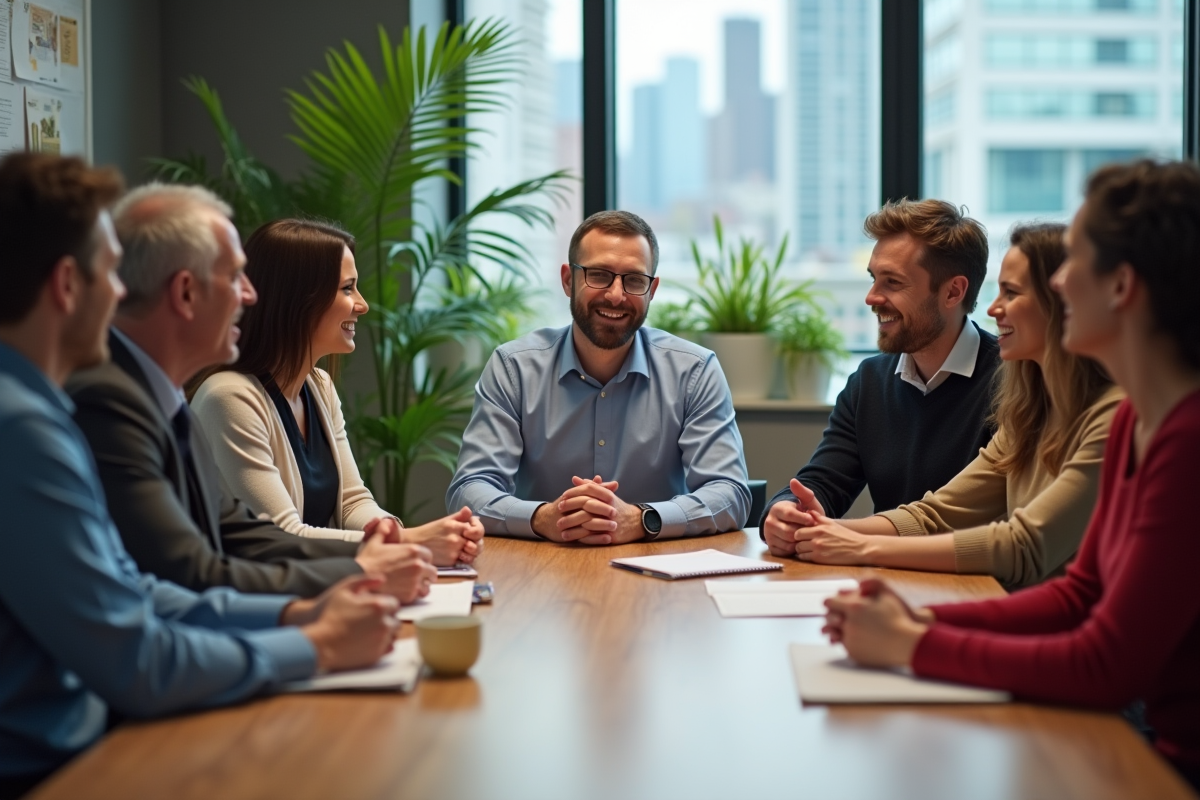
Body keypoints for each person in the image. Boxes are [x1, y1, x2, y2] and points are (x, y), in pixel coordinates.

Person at [0, 153, 398, 798]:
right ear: (68, 287)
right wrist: (316, 644)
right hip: (54, 767)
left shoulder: (51, 407)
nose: (124, 294)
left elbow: (136, 591)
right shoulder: (26, 428)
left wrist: (301, 613)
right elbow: (134, 654)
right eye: (111, 275)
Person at [823, 160, 1200, 792]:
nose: (1061, 281)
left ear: (1122, 286)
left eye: (1073, 261)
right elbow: (1079, 594)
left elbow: (1107, 661)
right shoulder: (1141, 415)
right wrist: (917, 623)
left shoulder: (1182, 437)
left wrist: (913, 645)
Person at [67, 184, 437, 600]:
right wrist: (316, 621)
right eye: (233, 277)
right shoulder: (115, 406)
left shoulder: (165, 401)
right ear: (186, 292)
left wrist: (383, 551)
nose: (249, 294)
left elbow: (244, 534)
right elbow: (193, 571)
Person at [776, 224, 1121, 588]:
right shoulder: (1028, 411)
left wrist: (862, 547)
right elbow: (935, 515)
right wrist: (819, 529)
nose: (993, 307)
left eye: (1012, 292)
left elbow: (1023, 546)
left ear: (1065, 304)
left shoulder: (1113, 418)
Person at [189, 219, 483, 565]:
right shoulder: (228, 398)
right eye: (348, 288)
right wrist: (410, 542)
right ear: (298, 299)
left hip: (319, 585)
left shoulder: (320, 386)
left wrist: (401, 536)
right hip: (257, 606)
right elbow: (280, 536)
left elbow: (352, 502)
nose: (362, 305)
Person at [447, 210, 750, 544]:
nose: (616, 295)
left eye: (634, 280)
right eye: (599, 275)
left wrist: (642, 519)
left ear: (652, 290)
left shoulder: (695, 370)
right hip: (540, 573)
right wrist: (544, 517)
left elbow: (730, 493)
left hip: (661, 576)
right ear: (567, 280)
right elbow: (469, 490)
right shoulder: (514, 368)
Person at [761, 200, 1000, 551]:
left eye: (893, 282)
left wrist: (846, 535)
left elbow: (970, 522)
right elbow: (824, 481)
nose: (872, 298)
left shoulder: (1012, 383)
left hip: (971, 584)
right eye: (874, 279)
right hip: (880, 577)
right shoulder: (869, 381)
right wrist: (787, 511)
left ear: (953, 292)